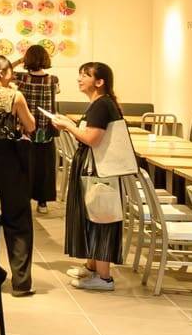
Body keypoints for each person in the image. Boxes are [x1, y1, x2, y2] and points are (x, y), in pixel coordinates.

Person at [49, 61, 137, 291]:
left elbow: (91, 139)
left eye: (85, 75)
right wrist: (69, 124)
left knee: (101, 218)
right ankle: (92, 267)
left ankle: (104, 277)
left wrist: (68, 126)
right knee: (92, 215)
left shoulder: (102, 105)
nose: (79, 79)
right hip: (93, 168)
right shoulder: (99, 104)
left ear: (99, 82)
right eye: (80, 74)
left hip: (99, 170)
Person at [0, 55, 38, 296]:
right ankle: (21, 282)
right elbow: (31, 125)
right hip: (9, 160)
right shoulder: (15, 96)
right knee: (18, 219)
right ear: (2, 73)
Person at [14, 45, 61, 208]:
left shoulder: (21, 78)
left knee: (23, 164)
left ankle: (24, 199)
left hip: (24, 126)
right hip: (45, 128)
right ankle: (42, 202)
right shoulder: (53, 79)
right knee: (44, 166)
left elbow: (2, 69)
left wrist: (19, 61)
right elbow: (56, 95)